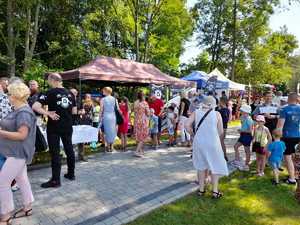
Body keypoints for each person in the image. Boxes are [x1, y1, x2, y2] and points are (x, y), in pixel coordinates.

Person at [0, 81, 36, 224]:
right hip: (16, 152)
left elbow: (22, 135)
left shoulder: (24, 112)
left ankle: (6, 215)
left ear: (15, 96)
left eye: (9, 94)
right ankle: (28, 207)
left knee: (2, 183)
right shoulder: (17, 110)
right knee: (22, 179)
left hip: (18, 153)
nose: (8, 96)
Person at [33, 73, 77, 188]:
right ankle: (71, 174)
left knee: (55, 153)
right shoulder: (71, 93)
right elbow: (74, 111)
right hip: (67, 126)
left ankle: (55, 180)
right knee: (69, 149)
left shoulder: (49, 92)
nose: (48, 82)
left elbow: (35, 107)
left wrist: (48, 113)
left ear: (52, 80)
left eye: (48, 80)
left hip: (54, 127)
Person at [186, 96, 228, 199]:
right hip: (213, 142)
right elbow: (221, 132)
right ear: (214, 104)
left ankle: (201, 190)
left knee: (200, 165)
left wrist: (192, 133)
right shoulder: (217, 114)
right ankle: (215, 191)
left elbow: (187, 125)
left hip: (199, 142)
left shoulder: (196, 112)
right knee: (215, 166)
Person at [276, 92, 300, 185]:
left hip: (287, 136)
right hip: (297, 135)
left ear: (289, 99)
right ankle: (294, 175)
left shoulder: (284, 109)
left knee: (288, 157)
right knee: (294, 157)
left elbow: (280, 125)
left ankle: (292, 179)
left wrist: (276, 137)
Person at [232, 104, 254, 171]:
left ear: (246, 112)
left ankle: (247, 164)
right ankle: (237, 159)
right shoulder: (243, 117)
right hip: (243, 135)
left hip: (247, 136)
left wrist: (242, 130)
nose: (241, 111)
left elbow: (250, 130)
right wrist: (241, 130)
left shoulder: (249, 120)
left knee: (247, 151)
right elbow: (241, 122)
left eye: (242, 111)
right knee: (235, 146)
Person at [99, 87, 118, 152]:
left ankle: (107, 146)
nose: (102, 92)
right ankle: (111, 146)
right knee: (112, 131)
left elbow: (101, 109)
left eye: (103, 91)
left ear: (106, 91)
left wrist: (99, 117)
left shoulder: (103, 99)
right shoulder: (115, 99)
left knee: (106, 131)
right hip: (113, 116)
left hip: (106, 116)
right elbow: (117, 109)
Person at [133, 91, 150, 157]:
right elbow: (148, 113)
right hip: (143, 121)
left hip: (137, 120)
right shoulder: (145, 103)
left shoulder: (135, 103)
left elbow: (135, 113)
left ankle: (141, 151)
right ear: (143, 96)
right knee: (143, 137)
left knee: (139, 136)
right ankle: (137, 151)